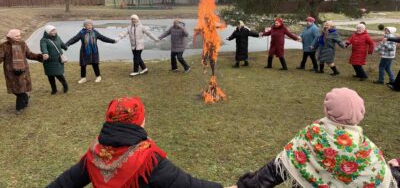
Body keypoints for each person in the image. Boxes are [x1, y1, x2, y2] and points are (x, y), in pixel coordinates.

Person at [227, 88, 399, 188]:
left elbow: (278, 168)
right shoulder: (367, 148)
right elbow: (380, 178)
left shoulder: (313, 134)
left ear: (327, 110)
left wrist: (245, 187)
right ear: (360, 115)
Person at [47, 97, 223, 188]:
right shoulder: (148, 158)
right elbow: (187, 185)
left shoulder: (95, 152)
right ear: (140, 121)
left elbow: (65, 183)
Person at [0, 29, 43, 114]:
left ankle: (19, 108)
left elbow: (29, 54)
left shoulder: (23, 44)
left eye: (19, 35)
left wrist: (39, 56)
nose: (19, 37)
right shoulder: (4, 46)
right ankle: (26, 98)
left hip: (23, 70)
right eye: (16, 36)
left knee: (21, 89)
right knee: (16, 90)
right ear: (10, 36)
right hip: (11, 72)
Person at [66, 20, 117, 84]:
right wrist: (67, 44)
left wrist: (113, 41)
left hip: (94, 51)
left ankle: (98, 76)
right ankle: (83, 78)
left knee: (95, 64)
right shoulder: (81, 33)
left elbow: (103, 38)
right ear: (85, 26)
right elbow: (74, 39)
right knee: (83, 65)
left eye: (90, 25)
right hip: (84, 52)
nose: (89, 26)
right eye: (88, 25)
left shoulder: (95, 32)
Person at [40, 25, 69, 95]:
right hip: (49, 61)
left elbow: (62, 44)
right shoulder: (44, 40)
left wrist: (65, 47)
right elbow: (43, 47)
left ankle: (65, 86)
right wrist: (45, 53)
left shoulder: (57, 38)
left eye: (54, 30)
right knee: (50, 76)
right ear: (48, 32)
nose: (54, 32)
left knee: (59, 74)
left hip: (58, 60)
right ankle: (54, 89)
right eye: (52, 31)